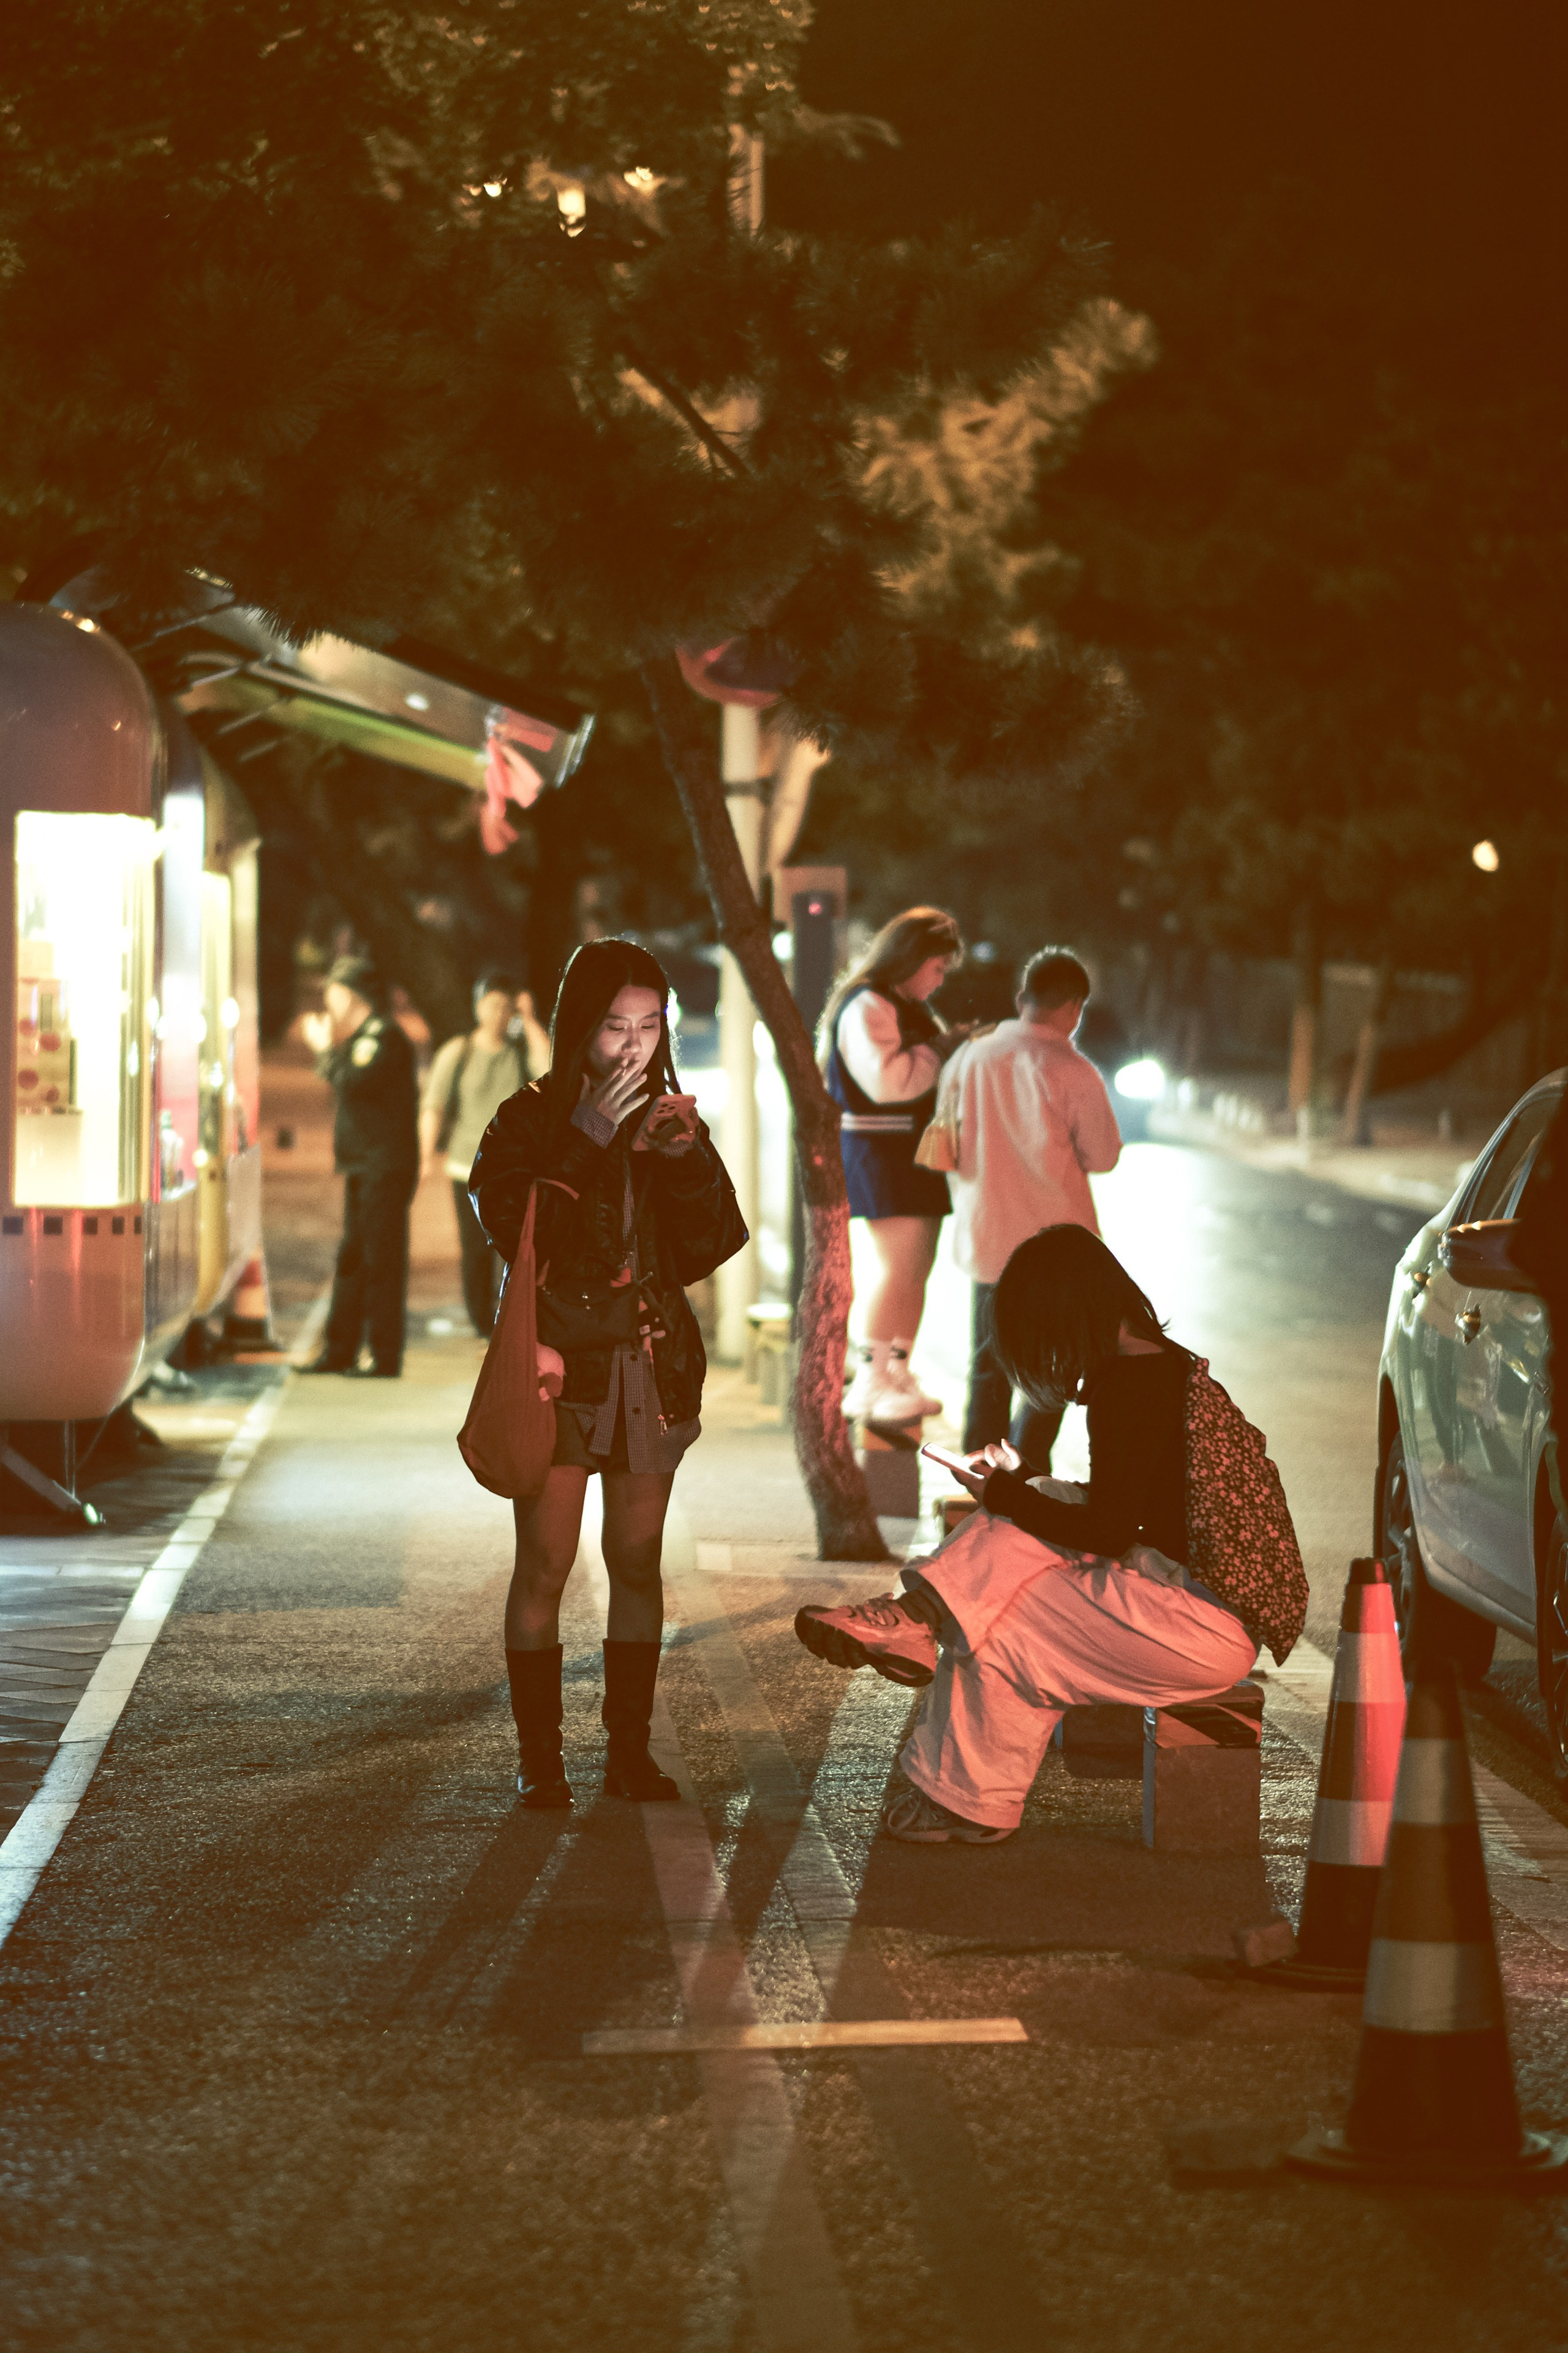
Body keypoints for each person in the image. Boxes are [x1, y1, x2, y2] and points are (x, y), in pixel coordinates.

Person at [792, 1224, 1306, 1843]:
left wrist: (1004, 1495)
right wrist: (1021, 1486)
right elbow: (1128, 1511)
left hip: (1198, 1626)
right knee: (1028, 1519)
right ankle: (920, 1644)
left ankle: (953, 1770)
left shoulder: (1126, 1383)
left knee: (997, 1617)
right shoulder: (1160, 1364)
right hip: (1199, 1607)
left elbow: (1108, 1531)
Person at [470, 939, 747, 1809]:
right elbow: (514, 1229)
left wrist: (688, 1158)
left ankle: (629, 1752)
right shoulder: (529, 1117)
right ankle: (540, 1760)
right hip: (557, 1368)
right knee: (545, 1563)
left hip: (649, 1362)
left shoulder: (667, 1117)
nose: (632, 1044)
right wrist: (586, 1139)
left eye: (650, 1023)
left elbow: (712, 1245)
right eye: (614, 1026)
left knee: (636, 1559)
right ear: (580, 1028)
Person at [946, 948, 1122, 1464]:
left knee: (989, 1363)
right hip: (1057, 1247)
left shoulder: (971, 1057)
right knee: (1060, 1362)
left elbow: (946, 1133)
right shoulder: (1074, 1069)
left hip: (989, 1235)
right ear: (1074, 1007)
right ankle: (1026, 1460)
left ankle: (979, 1474)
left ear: (1023, 1000)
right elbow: (1104, 1155)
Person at [820, 906, 971, 1423]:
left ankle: (897, 1366)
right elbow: (888, 1083)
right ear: (911, 957)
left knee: (916, 1269)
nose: (940, 979)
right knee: (900, 1266)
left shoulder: (901, 1005)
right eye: (938, 967)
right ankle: (872, 1378)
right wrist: (941, 1049)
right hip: (883, 1154)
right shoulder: (868, 1005)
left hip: (910, 1156)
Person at [300, 955, 420, 1377]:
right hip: (364, 1166)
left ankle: (384, 1355)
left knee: (380, 1259)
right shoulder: (365, 1038)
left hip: (383, 1168)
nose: (327, 999)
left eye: (333, 989)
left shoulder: (382, 1038)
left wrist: (323, 1049)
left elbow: (354, 1081)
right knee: (353, 1258)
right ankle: (340, 1350)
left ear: (352, 995)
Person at [420, 972, 533, 1335]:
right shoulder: (459, 1051)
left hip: (510, 1167)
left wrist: (529, 1021)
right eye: (494, 1004)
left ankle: (505, 1314)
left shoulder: (518, 1054)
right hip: (465, 1165)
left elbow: (549, 1070)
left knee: (508, 1244)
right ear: (478, 1007)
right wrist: (425, 1155)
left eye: (507, 1006)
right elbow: (434, 1105)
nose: (500, 1014)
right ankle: (481, 1319)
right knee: (474, 1246)